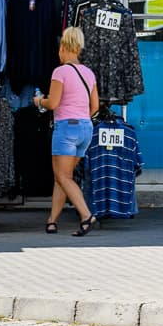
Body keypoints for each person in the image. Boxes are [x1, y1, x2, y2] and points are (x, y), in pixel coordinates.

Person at [33, 25, 99, 235]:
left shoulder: (60, 72)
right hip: (85, 129)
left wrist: (38, 101)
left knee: (63, 177)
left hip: (66, 129)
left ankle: (86, 216)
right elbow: (95, 107)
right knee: (63, 176)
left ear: (63, 47)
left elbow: (53, 103)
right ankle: (52, 221)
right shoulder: (89, 73)